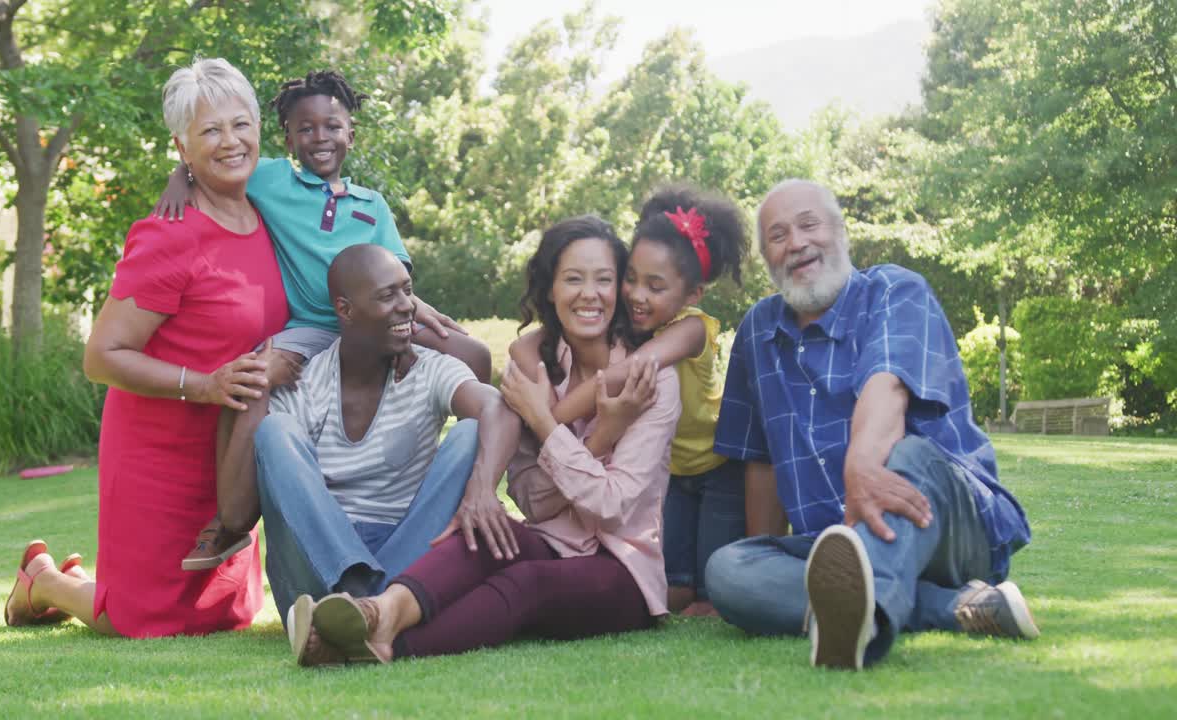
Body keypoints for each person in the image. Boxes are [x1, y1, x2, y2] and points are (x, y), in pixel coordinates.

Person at [288, 215, 682, 666]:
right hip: (553, 540)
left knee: (525, 583)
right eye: (573, 279)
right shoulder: (530, 374)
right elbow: (536, 504)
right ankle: (380, 611)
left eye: (604, 279)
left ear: (619, 290)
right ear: (550, 291)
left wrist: (544, 422)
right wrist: (597, 440)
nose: (589, 293)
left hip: (624, 570)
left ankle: (380, 645)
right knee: (479, 538)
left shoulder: (652, 379)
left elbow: (612, 505)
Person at [153, 69, 492, 569]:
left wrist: (409, 314)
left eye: (332, 126)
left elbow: (394, 272)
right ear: (287, 137)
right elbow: (212, 160)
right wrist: (176, 179)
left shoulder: (370, 204)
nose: (320, 137)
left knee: (472, 352)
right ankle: (228, 522)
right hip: (311, 326)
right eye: (305, 128)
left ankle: (474, 486)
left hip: (373, 321)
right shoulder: (271, 179)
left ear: (351, 133)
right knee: (255, 379)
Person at [703, 179, 1038, 670]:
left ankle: (867, 619)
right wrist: (768, 555)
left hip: (940, 524)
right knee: (729, 570)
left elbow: (888, 387)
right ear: (765, 257)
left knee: (906, 456)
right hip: (837, 545)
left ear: (841, 232)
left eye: (809, 224)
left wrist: (861, 462)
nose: (796, 243)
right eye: (777, 235)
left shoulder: (896, 290)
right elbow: (761, 462)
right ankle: (956, 607)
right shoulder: (757, 330)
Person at [4, 58, 286, 637]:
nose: (231, 142)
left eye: (241, 124)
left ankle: (65, 580)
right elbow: (101, 356)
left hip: (229, 457)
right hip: (159, 452)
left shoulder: (275, 209)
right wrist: (203, 383)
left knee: (229, 615)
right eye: (210, 131)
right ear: (181, 146)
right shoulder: (168, 235)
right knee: (141, 620)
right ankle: (43, 579)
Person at [218, 243, 517, 664]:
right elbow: (234, 515)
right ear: (346, 309)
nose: (406, 308)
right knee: (275, 428)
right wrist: (259, 387)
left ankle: (353, 617)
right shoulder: (306, 384)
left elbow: (498, 407)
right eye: (386, 296)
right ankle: (364, 605)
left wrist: (484, 488)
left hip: (402, 554)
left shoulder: (429, 369)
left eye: (407, 291)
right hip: (313, 570)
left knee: (471, 432)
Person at [543, 184, 748, 616]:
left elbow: (625, 372)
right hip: (674, 475)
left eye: (655, 286)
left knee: (712, 594)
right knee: (674, 588)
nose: (636, 295)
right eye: (631, 279)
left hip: (718, 469)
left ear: (692, 294)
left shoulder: (692, 328)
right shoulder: (641, 324)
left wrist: (550, 418)